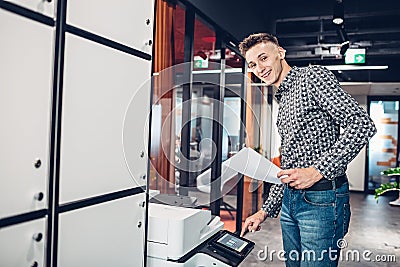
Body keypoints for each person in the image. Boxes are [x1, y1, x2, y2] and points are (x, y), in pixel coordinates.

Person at [238, 33, 376, 266]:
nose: (259, 68)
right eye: (252, 64)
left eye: (263, 58)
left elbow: (362, 124)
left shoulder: (312, 78)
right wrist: (264, 211)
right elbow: (289, 166)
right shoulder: (283, 100)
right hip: (291, 202)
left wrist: (317, 171)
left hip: (322, 200)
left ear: (280, 53)